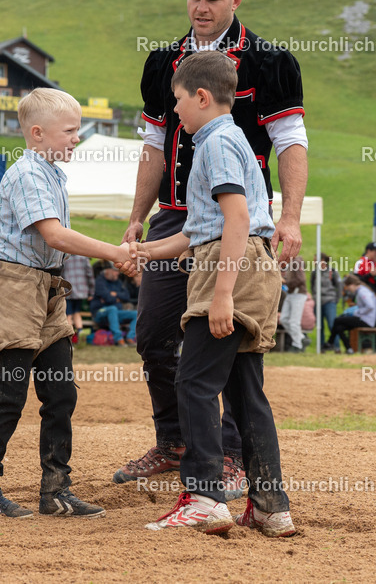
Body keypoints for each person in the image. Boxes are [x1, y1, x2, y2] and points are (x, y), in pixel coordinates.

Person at [120, 0, 309, 492]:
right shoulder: (163, 62)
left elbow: (290, 142)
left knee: (229, 334)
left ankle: (226, 454)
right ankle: (174, 441)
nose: (201, 7)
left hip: (236, 220)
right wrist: (138, 217)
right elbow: (153, 145)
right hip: (174, 218)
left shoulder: (270, 61)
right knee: (155, 333)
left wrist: (289, 219)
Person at [132, 51, 294, 537]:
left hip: (230, 270)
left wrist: (222, 296)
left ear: (202, 96)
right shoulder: (233, 139)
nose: (175, 112)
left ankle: (203, 497)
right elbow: (198, 230)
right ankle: (269, 506)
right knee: (245, 393)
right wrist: (145, 251)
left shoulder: (214, 144)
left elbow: (236, 220)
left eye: (179, 101)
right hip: (246, 264)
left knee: (194, 383)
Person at [0, 87, 135, 520]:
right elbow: (55, 236)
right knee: (10, 395)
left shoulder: (53, 173)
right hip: (16, 290)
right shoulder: (27, 174)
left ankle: (56, 490)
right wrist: (116, 253)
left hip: (47, 292)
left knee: (60, 394)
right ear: (37, 134)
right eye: (70, 131)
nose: (77, 138)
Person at [91, 263, 138, 346]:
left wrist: (115, 294)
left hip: (116, 313)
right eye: (115, 271)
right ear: (108, 271)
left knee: (136, 314)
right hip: (100, 313)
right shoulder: (99, 281)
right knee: (112, 308)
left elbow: (127, 296)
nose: (118, 273)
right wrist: (116, 298)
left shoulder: (118, 282)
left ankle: (130, 338)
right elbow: (108, 298)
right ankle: (119, 339)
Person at [331, 275, 376, 354]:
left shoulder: (362, 292)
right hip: (364, 319)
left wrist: (358, 312)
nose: (349, 290)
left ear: (352, 284)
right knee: (339, 327)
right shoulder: (362, 291)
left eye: (348, 287)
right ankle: (349, 349)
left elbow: (370, 306)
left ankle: (330, 342)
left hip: (366, 320)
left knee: (337, 320)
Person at [62, 254, 94, 344]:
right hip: (81, 291)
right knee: (77, 312)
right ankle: (80, 332)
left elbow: (61, 274)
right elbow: (90, 275)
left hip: (68, 290)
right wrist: (91, 292)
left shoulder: (65, 259)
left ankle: (69, 337)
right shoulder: (84, 258)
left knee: (68, 314)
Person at [278, 256, 308, 352]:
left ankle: (297, 345)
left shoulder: (296, 262)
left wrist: (286, 282)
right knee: (284, 319)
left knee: (294, 322)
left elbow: (301, 279)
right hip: (291, 293)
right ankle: (302, 338)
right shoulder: (290, 262)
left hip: (298, 294)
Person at [310, 253, 340, 348]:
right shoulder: (314, 272)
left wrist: (336, 299)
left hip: (329, 301)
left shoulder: (332, 272)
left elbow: (339, 286)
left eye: (316, 260)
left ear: (323, 260)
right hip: (318, 301)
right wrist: (315, 296)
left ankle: (336, 346)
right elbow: (312, 285)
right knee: (320, 326)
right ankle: (321, 346)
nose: (314, 262)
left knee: (332, 324)